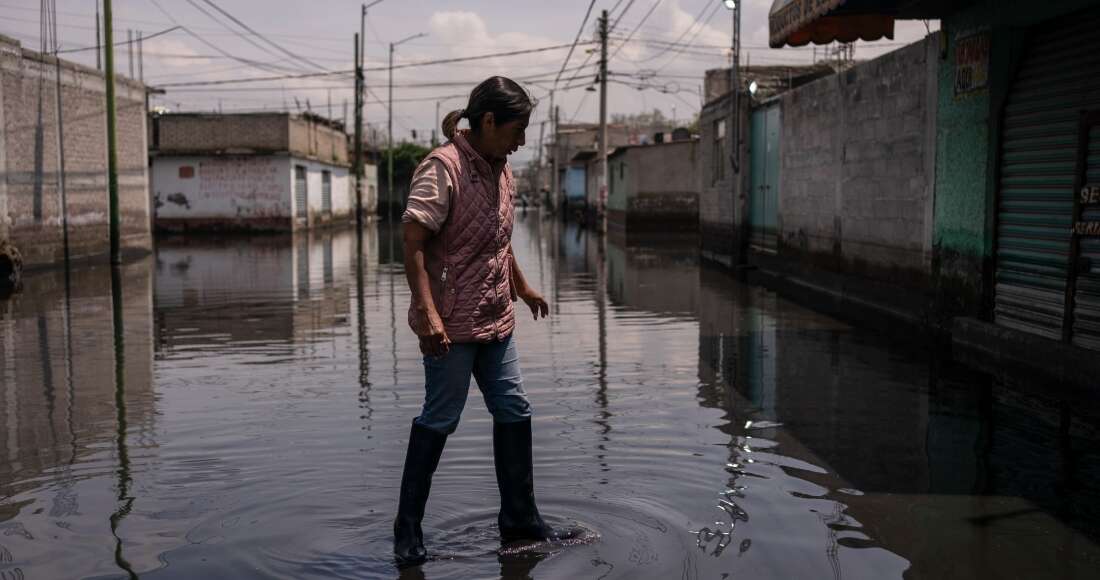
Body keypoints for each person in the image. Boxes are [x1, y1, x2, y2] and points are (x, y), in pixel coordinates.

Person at [393, 76, 572, 567]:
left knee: (514, 408)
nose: (520, 141)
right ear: (487, 121)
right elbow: (412, 244)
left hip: (496, 316)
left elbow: (498, 239)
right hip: (450, 322)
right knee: (441, 417)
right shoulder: (441, 168)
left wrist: (523, 287)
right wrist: (427, 313)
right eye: (517, 130)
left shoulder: (502, 169)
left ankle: (520, 522)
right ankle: (407, 531)